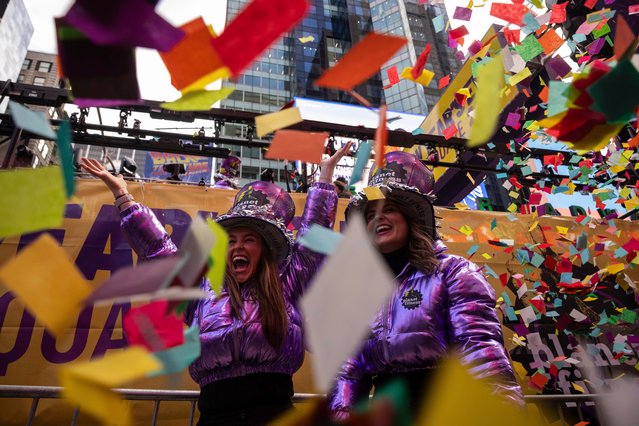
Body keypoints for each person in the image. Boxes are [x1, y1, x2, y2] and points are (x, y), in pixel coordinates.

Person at [80, 142, 351, 426]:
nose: (238, 247)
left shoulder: (287, 282)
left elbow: (314, 234)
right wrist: (123, 196)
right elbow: (158, 251)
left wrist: (325, 177)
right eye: (231, 241)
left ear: (265, 250)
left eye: (248, 240)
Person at [328, 151, 523, 420]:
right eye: (370, 214)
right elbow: (348, 374)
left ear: (412, 218)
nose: (377, 219)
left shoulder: (454, 272)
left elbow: (481, 355)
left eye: (390, 209)